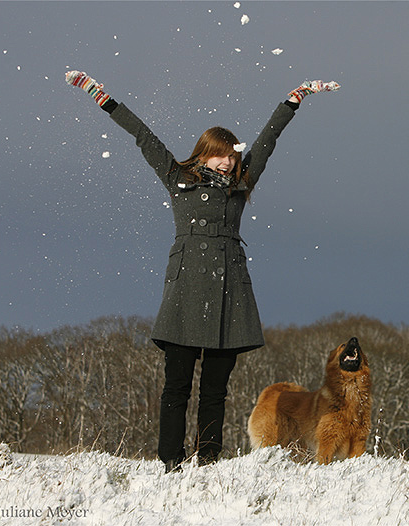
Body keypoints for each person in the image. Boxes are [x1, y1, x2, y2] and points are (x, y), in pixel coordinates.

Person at [64, 70, 339, 473]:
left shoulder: (239, 186)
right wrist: (102, 97)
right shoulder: (179, 180)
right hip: (185, 292)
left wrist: (293, 101)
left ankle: (208, 462)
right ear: (203, 153)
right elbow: (145, 138)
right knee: (175, 386)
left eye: (232, 155)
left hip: (230, 293)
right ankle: (170, 462)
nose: (227, 161)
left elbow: (267, 142)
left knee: (215, 391)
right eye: (220, 154)